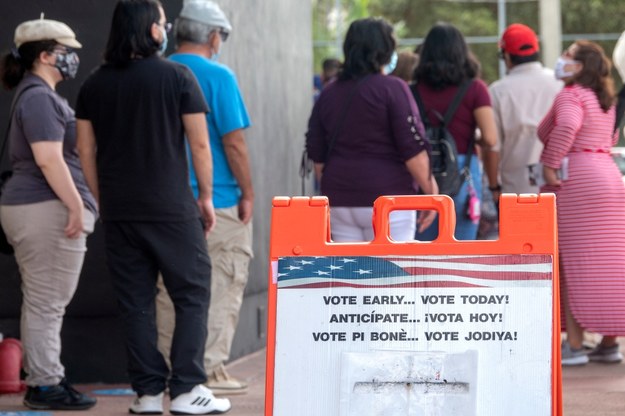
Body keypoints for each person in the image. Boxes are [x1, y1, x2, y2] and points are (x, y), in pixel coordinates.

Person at [74, 0, 231, 413]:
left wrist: (101, 199)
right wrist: (207, 198)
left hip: (121, 210)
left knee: (136, 302)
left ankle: (146, 395)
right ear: (153, 30)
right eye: (163, 22)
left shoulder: (93, 84)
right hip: (171, 207)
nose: (166, 28)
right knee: (192, 293)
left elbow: (84, 150)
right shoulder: (178, 76)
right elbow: (200, 143)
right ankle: (186, 389)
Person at [155, 0, 253, 396]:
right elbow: (234, 144)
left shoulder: (157, 73)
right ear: (214, 37)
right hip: (220, 201)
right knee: (222, 281)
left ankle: (167, 370)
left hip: (164, 200)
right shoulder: (218, 76)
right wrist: (248, 191)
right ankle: (209, 370)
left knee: (168, 289)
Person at [0, 17, 97, 410]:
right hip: (45, 210)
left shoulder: (38, 94)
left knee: (43, 301)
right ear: (44, 56)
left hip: (38, 209)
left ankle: (47, 378)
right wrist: (76, 205)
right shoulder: (39, 97)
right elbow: (48, 159)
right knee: (46, 302)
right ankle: (44, 385)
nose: (72, 58)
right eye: (64, 52)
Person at [306, 17, 437, 242]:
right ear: (385, 50)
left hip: (339, 202)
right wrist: (432, 195)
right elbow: (412, 150)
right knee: (393, 274)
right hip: (389, 202)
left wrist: (339, 187)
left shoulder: (329, 92)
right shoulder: (393, 89)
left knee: (350, 275)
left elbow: (317, 153)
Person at [538, 40, 625, 366]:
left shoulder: (571, 96)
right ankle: (608, 342)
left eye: (568, 56)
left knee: (571, 263)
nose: (561, 60)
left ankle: (573, 345)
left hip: (577, 183)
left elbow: (569, 125)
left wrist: (550, 161)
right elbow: (611, 138)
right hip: (608, 178)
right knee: (609, 265)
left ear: (580, 65)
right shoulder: (604, 100)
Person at [412, 22, 497, 241]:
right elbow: (490, 137)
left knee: (420, 251)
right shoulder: (475, 89)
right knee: (461, 248)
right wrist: (470, 136)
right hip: (463, 171)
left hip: (422, 170)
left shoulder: (412, 90)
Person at [483, 23, 562, 202]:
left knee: (520, 231)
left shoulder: (498, 91)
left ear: (507, 56)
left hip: (516, 190)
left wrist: (494, 187)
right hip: (559, 184)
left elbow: (492, 147)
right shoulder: (559, 84)